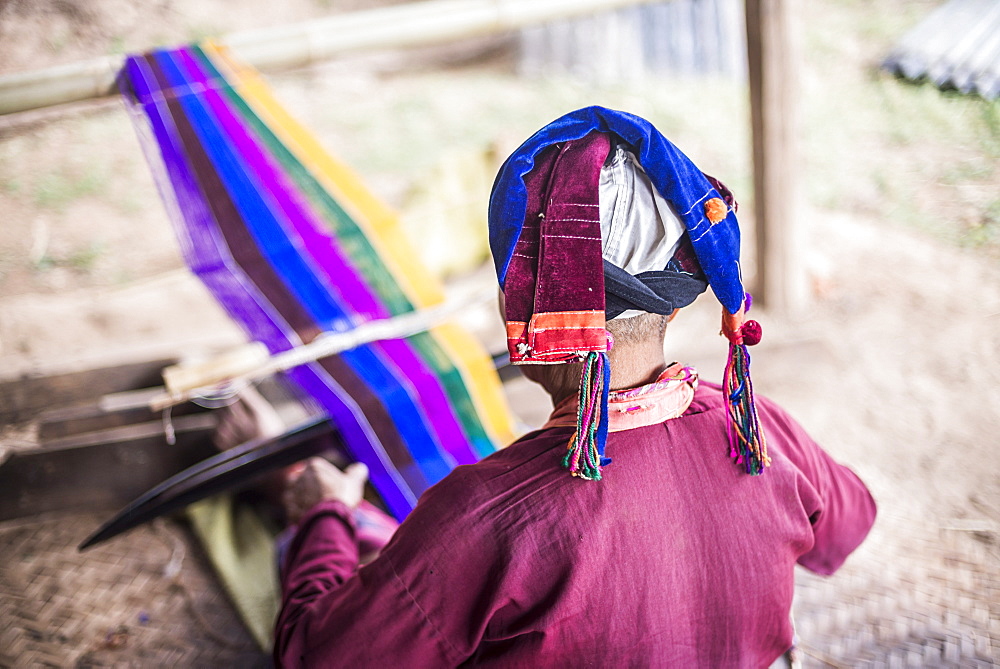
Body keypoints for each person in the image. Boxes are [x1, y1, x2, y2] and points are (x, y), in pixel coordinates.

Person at [272, 107, 876, 668]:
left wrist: (324, 515)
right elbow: (848, 527)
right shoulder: (759, 432)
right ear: (674, 302)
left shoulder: (485, 517)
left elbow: (314, 655)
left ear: (526, 312)